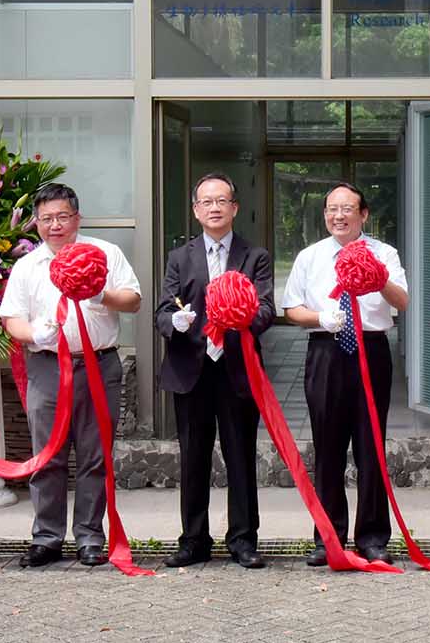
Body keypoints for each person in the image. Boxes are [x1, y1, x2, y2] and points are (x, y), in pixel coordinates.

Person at [1, 183, 142, 568]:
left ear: (77, 218)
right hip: (47, 367)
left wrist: (102, 295)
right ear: (36, 223)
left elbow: (133, 300)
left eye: (63, 217)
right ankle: (46, 537)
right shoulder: (28, 266)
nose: (55, 225)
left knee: (95, 455)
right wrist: (35, 334)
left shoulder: (105, 254)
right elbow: (11, 318)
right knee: (47, 455)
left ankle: (90, 538)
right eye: (46, 219)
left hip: (98, 365)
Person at [280, 183, 408, 566]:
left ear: (363, 214)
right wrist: (320, 317)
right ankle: (328, 536)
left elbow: (402, 300)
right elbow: (291, 308)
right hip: (326, 350)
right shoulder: (310, 256)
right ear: (325, 215)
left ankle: (372, 537)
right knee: (328, 447)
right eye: (332, 209)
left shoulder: (384, 252)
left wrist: (377, 276)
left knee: (370, 448)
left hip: (370, 350)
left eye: (347, 208)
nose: (339, 215)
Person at [155, 173, 273, 569]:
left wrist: (243, 317)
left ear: (235, 208)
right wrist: (177, 324)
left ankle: (243, 539)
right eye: (207, 202)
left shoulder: (255, 256)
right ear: (196, 210)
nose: (215, 208)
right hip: (193, 370)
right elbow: (162, 312)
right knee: (193, 459)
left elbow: (267, 310)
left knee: (240, 457)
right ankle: (193, 539)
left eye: (222, 201)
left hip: (238, 370)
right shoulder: (179, 257)